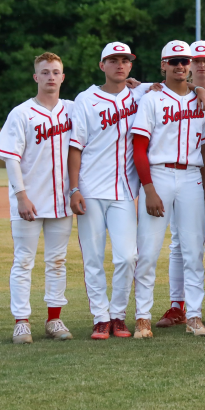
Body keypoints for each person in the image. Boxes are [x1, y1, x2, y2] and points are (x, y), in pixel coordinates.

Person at [131, 41, 205, 338]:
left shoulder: (202, 101)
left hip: (192, 176)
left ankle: (193, 316)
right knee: (148, 251)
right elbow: (139, 147)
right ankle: (142, 317)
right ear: (163, 65)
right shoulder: (151, 99)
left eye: (185, 61)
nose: (180, 66)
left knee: (193, 251)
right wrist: (149, 189)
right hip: (159, 174)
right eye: (174, 61)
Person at [0, 53, 74, 344]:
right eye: (45, 72)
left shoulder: (73, 109)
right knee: (23, 262)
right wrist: (21, 196)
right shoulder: (21, 113)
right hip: (28, 201)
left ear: (63, 77)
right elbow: (11, 159)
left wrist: (139, 84)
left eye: (56, 72)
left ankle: (54, 319)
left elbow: (113, 94)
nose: (51, 76)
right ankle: (21, 322)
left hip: (61, 201)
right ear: (36, 77)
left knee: (57, 261)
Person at [68, 42, 147, 340]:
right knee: (93, 258)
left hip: (124, 190)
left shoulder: (139, 94)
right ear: (102, 65)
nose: (119, 64)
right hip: (90, 188)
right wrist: (74, 188)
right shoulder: (86, 99)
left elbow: (173, 84)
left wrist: (199, 88)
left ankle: (118, 315)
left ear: (131, 65)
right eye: (113, 60)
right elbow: (75, 147)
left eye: (125, 60)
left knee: (127, 257)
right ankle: (101, 318)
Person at [158, 39, 205, 328]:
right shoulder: (165, 92)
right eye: (195, 60)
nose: (200, 64)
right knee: (179, 244)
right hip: (192, 178)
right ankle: (177, 305)